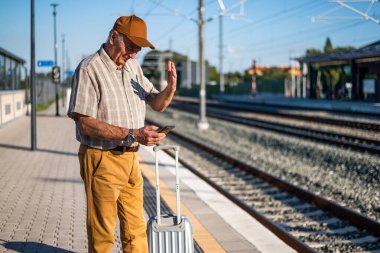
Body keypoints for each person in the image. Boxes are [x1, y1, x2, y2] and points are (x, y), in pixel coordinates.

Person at [67, 15, 177, 253]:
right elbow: (84, 124)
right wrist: (133, 134)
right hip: (101, 158)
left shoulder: (132, 67)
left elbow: (157, 104)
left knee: (135, 229)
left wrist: (169, 89)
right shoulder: (89, 69)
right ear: (113, 36)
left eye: (138, 49)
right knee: (103, 231)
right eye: (130, 47)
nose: (133, 53)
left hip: (130, 159)